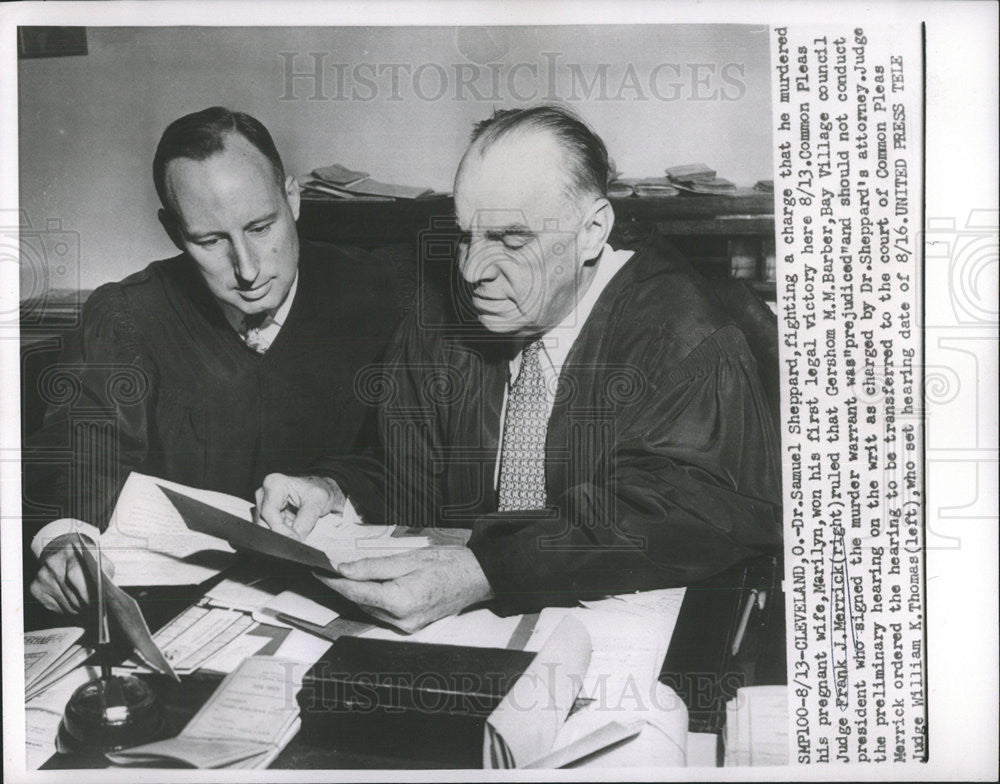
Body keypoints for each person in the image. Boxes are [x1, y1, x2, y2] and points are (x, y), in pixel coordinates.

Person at [258, 104, 783, 633]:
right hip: (465, 636)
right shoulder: (442, 320)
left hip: (619, 643)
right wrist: (332, 490)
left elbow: (691, 512)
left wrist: (490, 569)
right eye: (466, 236)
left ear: (593, 231)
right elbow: (409, 474)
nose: (471, 271)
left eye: (511, 240)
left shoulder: (684, 337)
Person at [25, 106, 407, 615]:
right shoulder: (128, 316)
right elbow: (80, 452)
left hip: (351, 601)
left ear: (292, 197)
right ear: (173, 231)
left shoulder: (383, 296)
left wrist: (333, 486)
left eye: (260, 227)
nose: (247, 270)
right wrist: (61, 541)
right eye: (210, 241)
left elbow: (415, 462)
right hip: (183, 612)